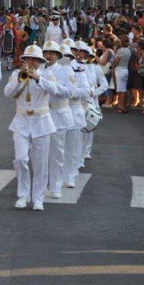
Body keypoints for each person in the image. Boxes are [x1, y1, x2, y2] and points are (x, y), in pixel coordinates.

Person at [4, 44, 58, 211]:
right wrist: (21, 78)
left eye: (35, 59)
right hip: (21, 121)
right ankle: (23, 194)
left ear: (40, 61)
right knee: (20, 159)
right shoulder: (16, 74)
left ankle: (38, 198)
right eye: (29, 59)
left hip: (41, 121)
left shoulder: (47, 74)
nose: (31, 62)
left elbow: (54, 90)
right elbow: (7, 93)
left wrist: (37, 78)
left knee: (40, 163)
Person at [41, 40, 75, 199]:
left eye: (51, 53)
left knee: (56, 152)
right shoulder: (39, 69)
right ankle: (41, 185)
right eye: (45, 53)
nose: (48, 56)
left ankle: (55, 186)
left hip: (58, 112)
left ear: (57, 55)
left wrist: (52, 86)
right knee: (40, 152)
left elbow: (70, 92)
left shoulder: (65, 69)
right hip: (40, 114)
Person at [61, 43, 90, 189]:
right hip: (58, 110)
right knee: (58, 146)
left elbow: (86, 91)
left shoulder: (80, 68)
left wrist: (70, 93)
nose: (64, 58)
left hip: (74, 108)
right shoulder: (51, 69)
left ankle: (70, 174)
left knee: (73, 146)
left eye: (68, 55)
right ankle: (58, 175)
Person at [113, 34, 131, 113]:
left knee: (122, 90)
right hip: (125, 69)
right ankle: (123, 105)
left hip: (119, 70)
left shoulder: (120, 51)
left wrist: (113, 67)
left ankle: (122, 106)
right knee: (123, 89)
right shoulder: (128, 50)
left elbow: (116, 61)